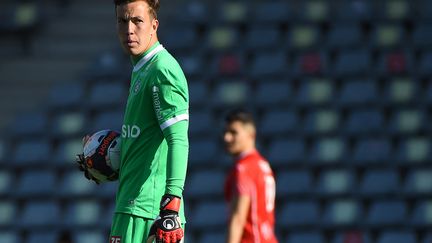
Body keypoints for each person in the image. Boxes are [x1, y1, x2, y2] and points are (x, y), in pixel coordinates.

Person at [77, 0, 189, 242]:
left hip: (147, 210)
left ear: (153, 25)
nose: (129, 29)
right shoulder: (142, 67)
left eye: (137, 21)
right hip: (133, 205)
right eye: (122, 21)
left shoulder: (162, 70)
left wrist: (171, 205)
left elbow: (178, 139)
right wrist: (103, 155)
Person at [223, 109, 278, 243]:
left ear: (251, 135)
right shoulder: (262, 164)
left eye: (233, 132)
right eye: (226, 132)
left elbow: (239, 217)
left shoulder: (244, 167)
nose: (227, 137)